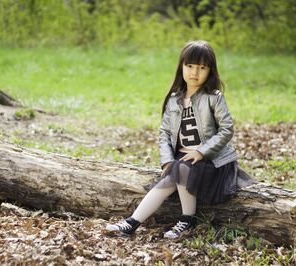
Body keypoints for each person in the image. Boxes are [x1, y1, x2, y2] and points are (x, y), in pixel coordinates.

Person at [106, 40, 254, 239]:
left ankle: (187, 219)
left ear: (210, 71)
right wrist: (167, 159)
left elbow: (227, 129)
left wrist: (201, 151)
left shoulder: (213, 97)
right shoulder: (175, 99)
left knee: (183, 168)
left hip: (212, 161)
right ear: (181, 67)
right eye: (190, 66)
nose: (195, 72)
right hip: (182, 159)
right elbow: (165, 133)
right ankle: (132, 223)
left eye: (202, 67)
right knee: (171, 175)